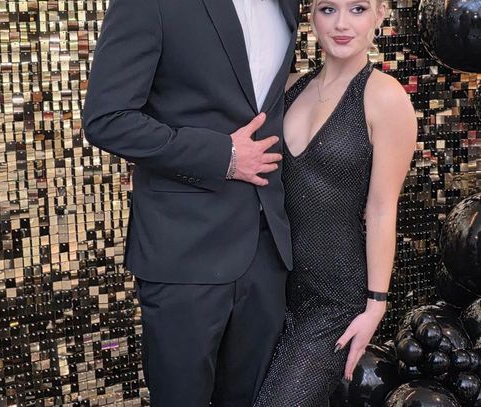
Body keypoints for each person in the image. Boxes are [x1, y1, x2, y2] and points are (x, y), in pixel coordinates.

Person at [82, 0, 300, 406]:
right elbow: (107, 118)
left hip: (267, 251)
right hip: (184, 251)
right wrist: (221, 156)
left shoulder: (287, 4)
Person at [253, 0, 417, 404]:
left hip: (334, 300)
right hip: (273, 290)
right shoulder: (288, 89)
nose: (342, 24)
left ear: (380, 14)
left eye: (358, 9)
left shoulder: (385, 97)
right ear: (311, 16)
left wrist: (375, 306)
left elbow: (381, 209)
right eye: (328, 9)